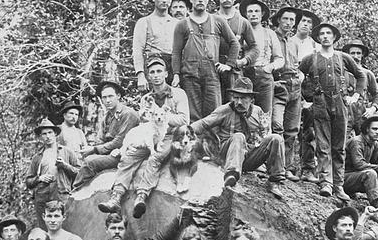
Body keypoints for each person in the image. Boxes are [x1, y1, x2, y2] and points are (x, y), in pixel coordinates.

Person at [97, 55, 189, 217]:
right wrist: (146, 114)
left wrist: (161, 117)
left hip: (170, 136)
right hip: (149, 135)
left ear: (166, 74)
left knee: (155, 158)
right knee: (129, 155)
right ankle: (116, 196)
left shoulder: (178, 94)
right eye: (152, 72)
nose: (155, 75)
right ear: (148, 76)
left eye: (159, 71)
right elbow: (143, 121)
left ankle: (142, 195)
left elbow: (184, 119)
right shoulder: (146, 99)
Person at [298, 22, 366, 201]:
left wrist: (356, 95)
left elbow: (361, 75)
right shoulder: (310, 59)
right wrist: (304, 99)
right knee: (323, 145)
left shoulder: (343, 57)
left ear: (334, 37)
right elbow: (297, 76)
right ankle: (325, 182)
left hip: (341, 102)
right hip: (320, 103)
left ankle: (338, 185)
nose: (325, 36)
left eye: (329, 33)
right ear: (318, 38)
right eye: (322, 34)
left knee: (339, 146)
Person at [189, 77, 286, 199]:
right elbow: (203, 123)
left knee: (276, 138)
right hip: (226, 155)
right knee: (238, 136)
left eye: (243, 98)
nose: (239, 102)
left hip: (247, 156)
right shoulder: (225, 110)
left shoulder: (258, 112)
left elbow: (265, 136)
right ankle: (231, 175)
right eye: (236, 97)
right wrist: (186, 131)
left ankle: (274, 182)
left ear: (251, 99)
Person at [171, 0, 240, 121]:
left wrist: (229, 64)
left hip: (212, 75)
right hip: (189, 75)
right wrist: (176, 74)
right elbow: (176, 52)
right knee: (193, 115)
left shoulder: (218, 21)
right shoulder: (182, 24)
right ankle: (195, 143)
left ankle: (213, 143)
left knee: (214, 115)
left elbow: (235, 43)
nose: (200, 0)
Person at [72, 80, 139, 189]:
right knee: (85, 159)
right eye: (104, 97)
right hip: (110, 153)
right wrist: (94, 149)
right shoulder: (107, 117)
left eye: (111, 96)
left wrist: (94, 149)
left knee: (90, 162)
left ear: (118, 96)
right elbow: (100, 139)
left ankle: (75, 194)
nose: (107, 100)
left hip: (125, 154)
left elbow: (120, 141)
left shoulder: (128, 114)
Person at [25, 118, 79, 229]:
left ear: (55, 134)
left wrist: (64, 165)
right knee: (44, 231)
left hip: (62, 196)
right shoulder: (37, 157)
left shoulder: (67, 152)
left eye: (50, 133)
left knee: (65, 229)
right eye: (44, 134)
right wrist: (40, 178)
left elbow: (80, 173)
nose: (48, 136)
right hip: (42, 199)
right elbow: (28, 181)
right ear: (40, 137)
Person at [271, 7, 304, 181]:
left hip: (295, 87)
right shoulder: (270, 37)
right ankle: (274, 165)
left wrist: (300, 77)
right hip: (278, 85)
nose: (289, 23)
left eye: (292, 20)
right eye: (285, 19)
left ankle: (287, 166)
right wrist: (273, 82)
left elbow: (297, 65)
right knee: (276, 125)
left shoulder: (294, 42)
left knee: (292, 129)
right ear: (278, 20)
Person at [240, 0, 283, 116]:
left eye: (256, 11)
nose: (253, 14)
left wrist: (269, 68)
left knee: (264, 114)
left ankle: (265, 135)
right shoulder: (241, 32)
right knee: (244, 112)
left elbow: (280, 59)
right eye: (250, 11)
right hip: (245, 76)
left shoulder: (269, 33)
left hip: (264, 76)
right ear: (245, 14)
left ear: (262, 13)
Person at [133, 0, 178, 89]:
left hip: (171, 68)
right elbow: (137, 49)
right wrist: (140, 75)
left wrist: (177, 74)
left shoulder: (177, 23)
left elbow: (181, 51)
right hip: (153, 67)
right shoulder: (144, 22)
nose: (164, 0)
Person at [293, 9, 321, 182]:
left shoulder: (316, 48)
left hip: (309, 94)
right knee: (286, 130)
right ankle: (285, 166)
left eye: (310, 22)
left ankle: (308, 168)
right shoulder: (287, 41)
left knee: (309, 132)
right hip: (289, 89)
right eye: (303, 20)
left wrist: (310, 100)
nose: (306, 24)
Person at [344, 115, 378, 214]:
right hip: (345, 178)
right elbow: (359, 165)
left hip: (358, 178)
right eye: (374, 129)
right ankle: (375, 210)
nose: (377, 132)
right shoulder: (357, 142)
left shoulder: (374, 144)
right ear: (367, 129)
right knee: (371, 173)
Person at [212, 0, 257, 77]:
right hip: (213, 69)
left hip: (235, 70)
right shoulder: (210, 19)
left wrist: (244, 61)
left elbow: (254, 47)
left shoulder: (243, 22)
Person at [339, 40, 378, 137]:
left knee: (364, 143)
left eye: (358, 53)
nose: (355, 56)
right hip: (344, 112)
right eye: (352, 53)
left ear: (362, 55)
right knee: (341, 144)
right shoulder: (340, 72)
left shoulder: (368, 74)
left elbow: (376, 95)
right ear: (347, 55)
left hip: (362, 113)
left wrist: (372, 109)